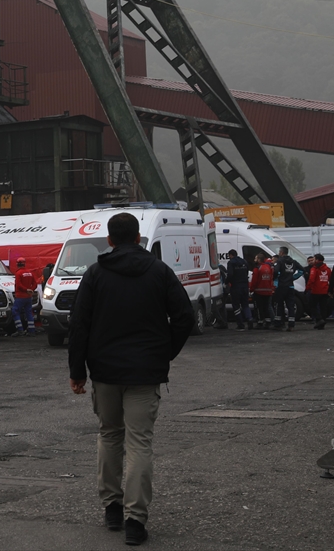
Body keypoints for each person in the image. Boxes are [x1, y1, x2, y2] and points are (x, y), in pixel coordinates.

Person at [68, 213, 193, 546]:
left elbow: (79, 324)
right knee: (140, 442)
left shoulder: (95, 274)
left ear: (109, 240)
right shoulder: (159, 271)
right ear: (138, 238)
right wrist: (164, 352)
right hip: (145, 372)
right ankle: (135, 521)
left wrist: (77, 372)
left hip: (106, 373)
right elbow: (184, 316)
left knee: (109, 434)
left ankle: (112, 507)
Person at [271, 247, 304, 331]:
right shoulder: (293, 261)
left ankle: (279, 323)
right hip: (290, 286)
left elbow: (276, 271)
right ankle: (291, 324)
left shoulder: (280, 261)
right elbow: (302, 270)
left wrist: (276, 278)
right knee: (290, 306)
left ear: (281, 252)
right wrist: (293, 277)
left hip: (281, 286)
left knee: (279, 305)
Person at [224, 250, 252, 330]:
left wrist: (226, 282)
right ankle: (249, 319)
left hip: (236, 286)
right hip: (245, 286)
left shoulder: (231, 263)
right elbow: (246, 272)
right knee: (245, 305)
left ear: (230, 255)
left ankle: (240, 324)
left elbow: (230, 274)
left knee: (236, 306)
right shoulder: (244, 261)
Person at [11, 258, 38, 336]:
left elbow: (19, 285)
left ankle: (20, 330)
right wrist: (31, 290)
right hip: (28, 297)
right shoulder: (30, 272)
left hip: (20, 296)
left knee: (15, 311)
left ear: (17, 264)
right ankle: (32, 330)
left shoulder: (19, 273)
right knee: (29, 312)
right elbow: (35, 284)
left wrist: (26, 290)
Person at [249, 253, 275, 330]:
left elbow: (255, 281)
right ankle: (268, 322)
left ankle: (260, 322)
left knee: (259, 308)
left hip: (259, 292)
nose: (254, 260)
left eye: (255, 258)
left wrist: (251, 289)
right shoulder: (268, 267)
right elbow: (271, 279)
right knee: (267, 307)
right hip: (268, 291)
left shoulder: (257, 268)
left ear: (259, 259)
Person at [305, 254, 332, 330]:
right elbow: (330, 279)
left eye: (314, 259)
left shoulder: (314, 269)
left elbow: (311, 280)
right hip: (325, 290)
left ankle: (319, 319)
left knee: (312, 306)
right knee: (323, 307)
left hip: (316, 290)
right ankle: (322, 322)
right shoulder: (327, 269)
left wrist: (307, 288)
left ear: (317, 260)